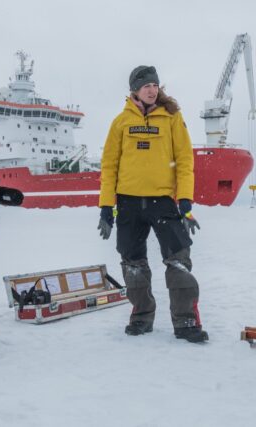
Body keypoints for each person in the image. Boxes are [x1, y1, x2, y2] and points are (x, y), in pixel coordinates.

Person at [97, 65, 208, 343]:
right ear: (135, 89)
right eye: (146, 85)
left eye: (155, 85)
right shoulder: (120, 122)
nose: (152, 89)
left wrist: (185, 202)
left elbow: (184, 161)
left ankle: (185, 322)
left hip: (162, 201)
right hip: (128, 203)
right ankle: (141, 317)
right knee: (132, 263)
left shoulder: (172, 117)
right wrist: (106, 208)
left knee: (179, 261)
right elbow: (109, 166)